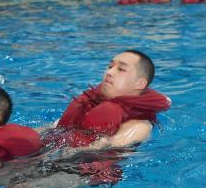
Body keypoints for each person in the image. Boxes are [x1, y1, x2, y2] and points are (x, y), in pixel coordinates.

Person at [41, 50, 171, 151]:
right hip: (54, 150)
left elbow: (97, 150)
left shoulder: (138, 126)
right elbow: (53, 128)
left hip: (76, 169)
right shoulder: (90, 104)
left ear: (139, 83)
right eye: (110, 66)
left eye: (121, 69)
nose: (109, 72)